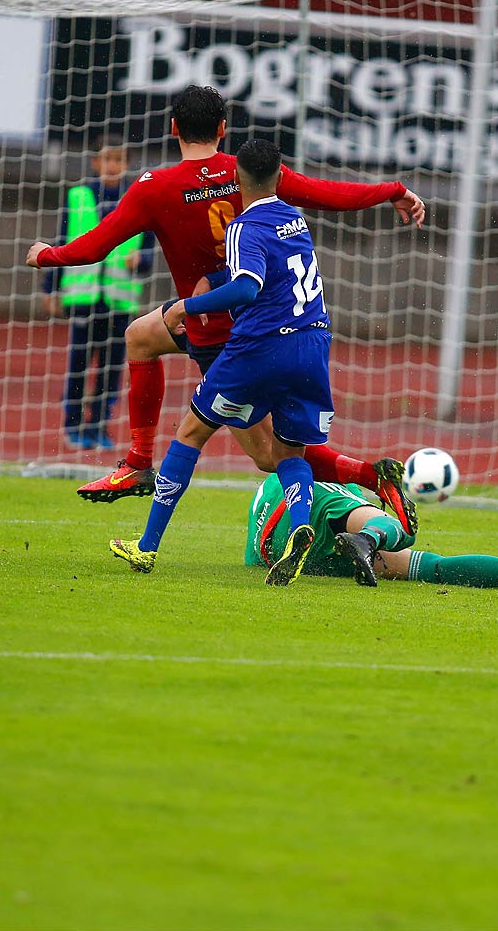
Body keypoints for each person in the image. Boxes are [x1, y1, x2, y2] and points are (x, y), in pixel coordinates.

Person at [25, 85, 425, 528]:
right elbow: (329, 194)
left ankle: (370, 475)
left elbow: (94, 247)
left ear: (174, 128)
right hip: (243, 316)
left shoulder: (154, 187)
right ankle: (138, 461)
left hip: (220, 334)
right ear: (222, 129)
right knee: (139, 335)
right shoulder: (248, 172)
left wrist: (48, 255)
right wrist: (392, 190)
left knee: (270, 456)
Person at [106, 140, 337, 584]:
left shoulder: (242, 227)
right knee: (288, 451)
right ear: (280, 175)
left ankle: (147, 547)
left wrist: (185, 308)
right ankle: (301, 524)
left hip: (259, 347)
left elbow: (247, 287)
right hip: (312, 343)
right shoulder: (295, 218)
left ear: (237, 178)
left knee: (191, 432)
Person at [241, 471, 498, 593]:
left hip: (267, 547)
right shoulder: (329, 486)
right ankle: (366, 540)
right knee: (400, 536)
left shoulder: (279, 479)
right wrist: (385, 502)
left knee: (420, 568)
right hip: (304, 506)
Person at [39, 137, 144, 449]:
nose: (112, 166)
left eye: (118, 160)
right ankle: (72, 425)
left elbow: (149, 249)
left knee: (111, 369)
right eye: (107, 160)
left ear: (126, 164)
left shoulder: (136, 199)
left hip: (119, 298)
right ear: (96, 163)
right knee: (79, 363)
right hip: (84, 297)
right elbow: (62, 241)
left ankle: (98, 425)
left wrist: (141, 260)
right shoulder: (79, 197)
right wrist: (51, 287)